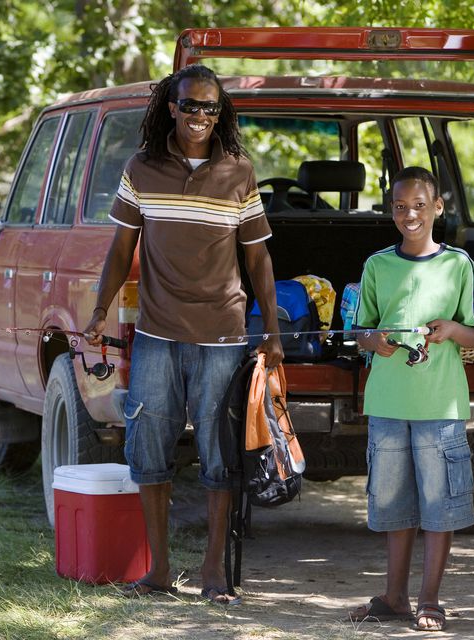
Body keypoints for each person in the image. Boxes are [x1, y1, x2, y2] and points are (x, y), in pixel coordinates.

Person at [83, 64, 283, 606]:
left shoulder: (238, 171)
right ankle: (157, 570)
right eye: (190, 105)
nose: (199, 116)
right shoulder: (142, 168)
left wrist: (273, 328)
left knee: (221, 454)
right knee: (147, 447)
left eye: (210, 108)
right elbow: (120, 249)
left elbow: (258, 255)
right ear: (171, 107)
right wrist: (100, 309)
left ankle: (214, 572)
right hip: (157, 333)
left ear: (221, 114)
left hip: (223, 333)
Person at [348, 166, 474, 632]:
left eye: (420, 206)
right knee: (393, 504)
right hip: (387, 402)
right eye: (401, 207)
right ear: (391, 210)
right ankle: (394, 597)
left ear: (438, 208)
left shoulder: (459, 265)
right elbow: (360, 329)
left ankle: (430, 600)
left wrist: (450, 329)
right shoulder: (376, 265)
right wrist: (375, 341)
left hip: (439, 405)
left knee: (439, 503)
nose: (411, 214)